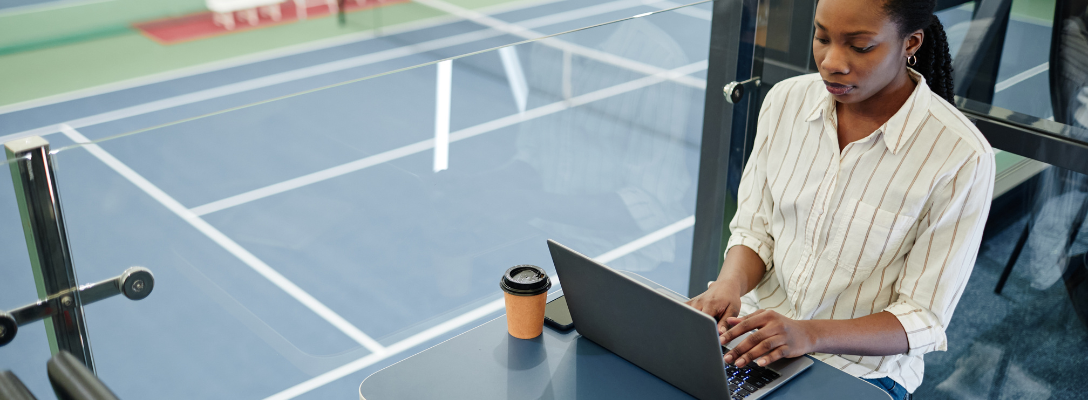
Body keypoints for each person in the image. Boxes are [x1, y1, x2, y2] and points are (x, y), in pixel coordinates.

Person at [685, 0, 995, 398]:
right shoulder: (785, 102)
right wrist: (728, 286)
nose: (831, 62)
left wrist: (808, 335)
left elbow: (922, 318)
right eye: (821, 37)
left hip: (861, 372)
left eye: (859, 46)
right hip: (755, 338)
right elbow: (756, 229)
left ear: (910, 43)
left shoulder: (960, 156)